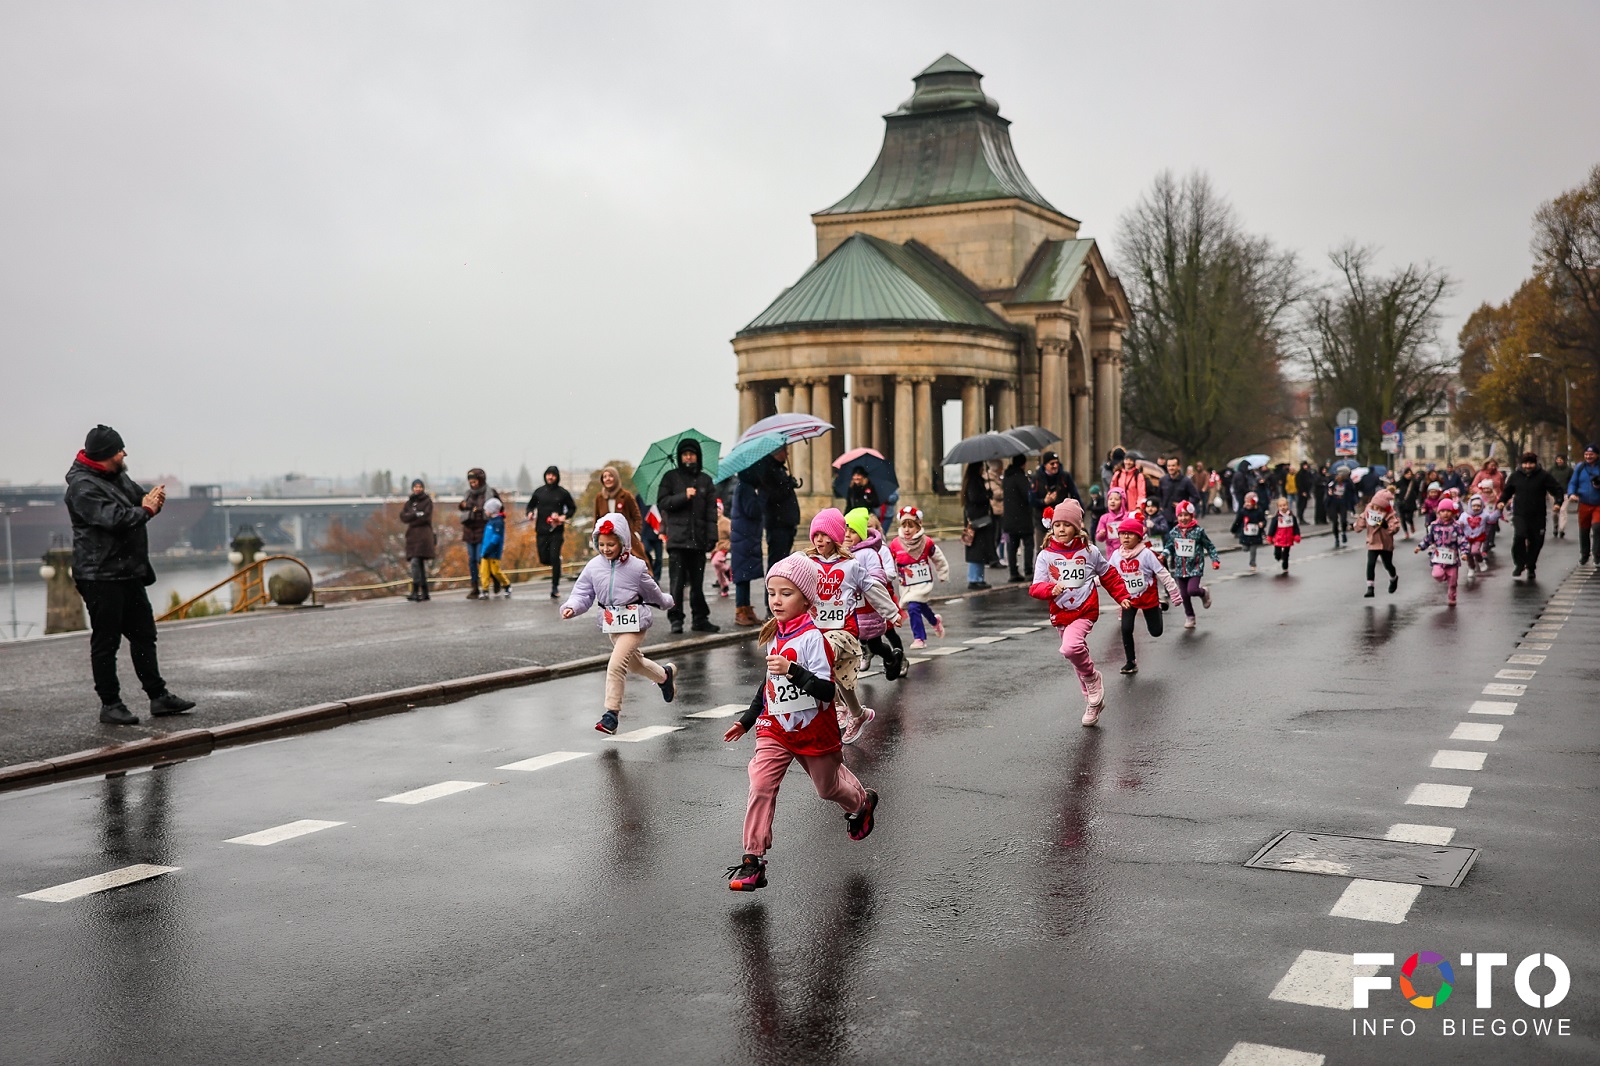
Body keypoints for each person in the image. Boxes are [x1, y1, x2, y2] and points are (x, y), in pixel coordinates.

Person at [723, 554, 879, 892]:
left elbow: (825, 691)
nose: (776, 601)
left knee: (827, 790)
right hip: (776, 727)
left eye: (786, 593)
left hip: (813, 731)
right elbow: (768, 686)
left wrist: (793, 670)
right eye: (771, 593)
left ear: (806, 598)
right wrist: (747, 720)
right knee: (761, 784)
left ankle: (861, 803)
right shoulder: (775, 634)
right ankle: (753, 861)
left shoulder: (813, 639)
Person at [64, 424, 195, 726]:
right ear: (105, 455)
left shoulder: (117, 475)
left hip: (127, 572)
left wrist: (152, 500)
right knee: (106, 642)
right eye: (119, 449)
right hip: (100, 575)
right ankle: (110, 704)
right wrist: (146, 511)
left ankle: (158, 697)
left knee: (144, 635)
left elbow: (138, 501)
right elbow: (116, 519)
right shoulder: (83, 487)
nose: (124, 453)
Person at [560, 513, 676, 736]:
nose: (605, 549)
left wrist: (666, 601)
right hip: (612, 624)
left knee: (616, 665)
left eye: (611, 544)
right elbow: (583, 592)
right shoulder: (594, 567)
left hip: (635, 623)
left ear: (623, 541)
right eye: (601, 544)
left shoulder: (636, 567)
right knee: (634, 664)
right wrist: (572, 607)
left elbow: (652, 591)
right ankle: (664, 675)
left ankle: (611, 714)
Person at [799, 508, 901, 744]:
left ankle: (836, 707)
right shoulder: (806, 562)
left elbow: (873, 589)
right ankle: (857, 713)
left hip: (843, 631)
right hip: (817, 628)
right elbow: (785, 578)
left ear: (836, 537)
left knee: (822, 658)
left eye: (825, 535)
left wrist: (892, 612)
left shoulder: (851, 566)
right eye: (816, 535)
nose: (820, 540)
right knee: (841, 679)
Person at [1029, 500, 1132, 727]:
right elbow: (1035, 587)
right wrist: (1050, 589)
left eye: (1067, 524)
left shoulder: (1089, 551)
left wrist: (1122, 596)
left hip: (1085, 610)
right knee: (1075, 658)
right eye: (1058, 525)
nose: (1062, 529)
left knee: (1070, 647)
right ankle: (1093, 703)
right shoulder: (1045, 556)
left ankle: (1094, 678)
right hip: (1061, 613)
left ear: (1077, 527)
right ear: (1052, 527)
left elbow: (1108, 575)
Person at [658, 436, 720, 633]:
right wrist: (683, 496)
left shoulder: (705, 480)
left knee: (698, 584)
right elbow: (663, 503)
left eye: (692, 454)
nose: (688, 457)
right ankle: (676, 619)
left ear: (697, 456)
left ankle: (700, 618)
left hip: (698, 540)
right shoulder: (670, 478)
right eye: (685, 454)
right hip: (677, 540)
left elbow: (711, 513)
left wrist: (712, 537)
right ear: (680, 456)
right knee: (676, 583)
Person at [1108, 516, 1182, 675]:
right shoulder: (1116, 555)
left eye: (1130, 534)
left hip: (1148, 598)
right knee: (1126, 628)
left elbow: (1163, 574)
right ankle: (1130, 662)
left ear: (1139, 537)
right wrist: (1092, 582)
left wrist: (1174, 594)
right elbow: (1107, 574)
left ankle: (1159, 607)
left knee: (1156, 632)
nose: (1126, 537)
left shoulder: (1147, 554)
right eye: (1122, 534)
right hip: (1128, 598)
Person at [843, 507, 907, 682]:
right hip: (849, 609)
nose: (847, 535)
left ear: (862, 534)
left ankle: (891, 657)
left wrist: (862, 581)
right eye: (845, 530)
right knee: (849, 643)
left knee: (876, 644)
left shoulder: (868, 553)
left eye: (853, 531)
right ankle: (846, 682)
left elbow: (877, 578)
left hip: (869, 607)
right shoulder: (840, 552)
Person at [890, 505, 949, 649]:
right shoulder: (896, 543)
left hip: (922, 582)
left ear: (918, 526)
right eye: (904, 525)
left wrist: (943, 573)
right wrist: (886, 576)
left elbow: (938, 558)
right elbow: (890, 561)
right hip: (906, 583)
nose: (907, 529)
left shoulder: (926, 542)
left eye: (911, 526)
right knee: (919, 605)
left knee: (914, 606)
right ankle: (935, 621)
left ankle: (919, 638)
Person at [1500, 452, 1565, 580]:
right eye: (1525, 463)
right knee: (1520, 536)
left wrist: (1558, 503)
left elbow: (1557, 490)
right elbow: (1507, 491)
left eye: (1530, 463)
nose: (1528, 466)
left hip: (1537, 515)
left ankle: (1531, 566)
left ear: (1535, 463)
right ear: (1521, 464)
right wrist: (1501, 501)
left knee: (1536, 541)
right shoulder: (1515, 476)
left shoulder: (1543, 476)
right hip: (1520, 514)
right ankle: (1519, 564)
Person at [1163, 500, 1220, 629]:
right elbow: (1169, 546)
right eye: (1180, 515)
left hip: (1195, 567)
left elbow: (1210, 546)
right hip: (1179, 568)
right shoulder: (1174, 532)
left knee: (1192, 590)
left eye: (1186, 515)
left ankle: (1203, 592)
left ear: (1191, 515)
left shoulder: (1198, 531)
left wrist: (1215, 560)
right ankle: (1190, 616)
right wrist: (1163, 555)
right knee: (1184, 595)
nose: (1183, 518)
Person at [525, 466, 576, 599]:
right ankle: (556, 562)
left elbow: (572, 508)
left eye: (553, 475)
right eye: (548, 475)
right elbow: (530, 506)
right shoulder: (539, 492)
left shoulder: (563, 493)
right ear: (545, 476)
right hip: (541, 530)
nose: (550, 477)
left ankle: (555, 587)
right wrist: (530, 513)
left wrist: (563, 517)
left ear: (557, 477)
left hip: (556, 530)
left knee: (554, 556)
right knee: (544, 558)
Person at [729, 468, 765, 626]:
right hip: (744, 537)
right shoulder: (745, 488)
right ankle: (741, 612)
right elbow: (753, 510)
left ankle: (746, 610)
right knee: (743, 575)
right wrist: (762, 497)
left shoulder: (743, 486)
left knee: (745, 574)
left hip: (744, 537)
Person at [1416, 497, 1466, 606]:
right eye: (1443, 511)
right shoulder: (1434, 526)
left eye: (1448, 511)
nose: (1446, 514)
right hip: (1438, 557)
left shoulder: (1456, 527)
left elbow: (1462, 540)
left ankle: (1452, 596)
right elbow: (1429, 538)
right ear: (1438, 513)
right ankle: (1444, 577)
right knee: (1437, 574)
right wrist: (1420, 547)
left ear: (1452, 512)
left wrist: (1464, 553)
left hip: (1452, 558)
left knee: (1453, 581)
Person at [459, 467, 499, 599]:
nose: (473, 484)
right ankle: (474, 587)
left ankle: (491, 580)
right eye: (471, 481)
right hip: (470, 530)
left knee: (481, 559)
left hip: (484, 530)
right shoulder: (468, 494)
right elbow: (464, 508)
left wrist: (480, 511)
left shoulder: (489, 493)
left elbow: (497, 509)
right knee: (472, 560)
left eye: (475, 481)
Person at [1352, 489, 1401, 598]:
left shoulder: (1389, 515)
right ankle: (1370, 587)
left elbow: (1395, 528)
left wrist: (1386, 526)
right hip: (1373, 542)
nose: (1376, 509)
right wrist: (1355, 526)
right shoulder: (1369, 511)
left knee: (1387, 564)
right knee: (1370, 563)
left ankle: (1393, 577)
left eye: (1379, 507)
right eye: (1375, 506)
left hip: (1385, 544)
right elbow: (1361, 521)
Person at [592, 466, 648, 559]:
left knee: (638, 561)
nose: (607, 479)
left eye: (610, 476)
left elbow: (637, 516)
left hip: (627, 537)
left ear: (616, 478)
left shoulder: (626, 496)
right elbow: (596, 518)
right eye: (605, 477)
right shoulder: (600, 497)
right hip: (607, 538)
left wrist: (636, 532)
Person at [760, 446, 802, 565]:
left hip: (785, 523)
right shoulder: (768, 471)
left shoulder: (778, 469)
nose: (787, 454)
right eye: (785, 450)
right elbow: (772, 497)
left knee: (783, 560)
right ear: (777, 453)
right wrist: (788, 486)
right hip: (778, 524)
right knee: (777, 561)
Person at [399, 478, 435, 602]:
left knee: (416, 561)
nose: (417, 489)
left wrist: (413, 516)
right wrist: (415, 514)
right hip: (412, 536)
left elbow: (425, 517)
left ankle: (415, 590)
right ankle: (424, 591)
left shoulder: (427, 501)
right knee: (418, 564)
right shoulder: (409, 502)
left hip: (423, 536)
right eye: (415, 487)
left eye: (419, 487)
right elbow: (403, 517)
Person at [961, 462, 996, 590]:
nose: (983, 469)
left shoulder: (972, 481)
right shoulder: (974, 481)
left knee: (978, 551)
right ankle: (975, 579)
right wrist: (987, 495)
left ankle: (978, 578)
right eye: (981, 467)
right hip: (978, 520)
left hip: (977, 519)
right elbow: (975, 497)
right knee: (977, 551)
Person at [1566, 444, 1600, 565]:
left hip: (1598, 504)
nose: (1588, 456)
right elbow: (1573, 483)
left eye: (1591, 454)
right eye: (1586, 454)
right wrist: (1571, 493)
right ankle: (1584, 554)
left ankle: (1597, 553)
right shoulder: (1580, 467)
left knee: (1597, 527)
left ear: (1597, 455)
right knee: (1584, 529)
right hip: (1584, 503)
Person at [1029, 451, 1080, 526]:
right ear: (1045, 465)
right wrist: (1044, 502)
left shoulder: (1065, 476)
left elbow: (1075, 495)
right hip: (1042, 521)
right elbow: (1031, 500)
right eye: (1052, 463)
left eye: (1057, 463)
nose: (1055, 466)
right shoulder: (1036, 478)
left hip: (1062, 520)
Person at [1459, 493, 1501, 576]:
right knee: (1468, 553)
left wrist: (1498, 511)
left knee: (1474, 551)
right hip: (1466, 538)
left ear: (1481, 506)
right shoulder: (1464, 515)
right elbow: (1459, 523)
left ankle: (1481, 561)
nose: (1476, 508)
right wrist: (1460, 525)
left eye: (1478, 506)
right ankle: (1471, 567)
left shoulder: (1484, 515)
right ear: (1470, 506)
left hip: (1478, 537)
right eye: (1474, 506)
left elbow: (1492, 519)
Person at [478, 497, 512, 598]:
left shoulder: (498, 522)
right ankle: (485, 589)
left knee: (495, 571)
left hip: (493, 552)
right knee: (484, 571)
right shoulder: (491, 521)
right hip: (485, 552)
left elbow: (496, 537)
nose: (485, 511)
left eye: (487, 509)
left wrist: (490, 548)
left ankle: (506, 584)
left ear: (492, 510)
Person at [1155, 458, 1201, 523]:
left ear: (1178, 466)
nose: (1171, 468)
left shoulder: (1186, 481)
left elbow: (1196, 497)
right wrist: (1160, 507)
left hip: (1181, 518)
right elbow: (1158, 496)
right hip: (1165, 517)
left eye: (1173, 465)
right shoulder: (1163, 480)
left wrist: (1183, 504)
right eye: (1169, 466)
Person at [1230, 490, 1267, 571]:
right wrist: (1234, 529)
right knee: (1245, 548)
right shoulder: (1243, 511)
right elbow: (1238, 521)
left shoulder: (1259, 511)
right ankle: (1246, 547)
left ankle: (1252, 564)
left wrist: (1262, 524)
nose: (1247, 504)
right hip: (1245, 534)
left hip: (1255, 535)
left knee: (1253, 550)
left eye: (1249, 502)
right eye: (1246, 502)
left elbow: (1263, 520)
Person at [1266, 496, 1302, 574]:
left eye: (1284, 505)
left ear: (1287, 505)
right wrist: (1269, 537)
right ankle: (1278, 556)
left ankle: (1285, 566)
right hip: (1278, 538)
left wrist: (1297, 535)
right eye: (1281, 506)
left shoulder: (1292, 517)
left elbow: (1296, 527)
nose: (1283, 507)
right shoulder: (1276, 518)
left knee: (1286, 554)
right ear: (1278, 507)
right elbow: (1272, 528)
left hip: (1288, 538)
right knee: (1277, 554)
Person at [635, 490, 664, 578]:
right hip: (645, 531)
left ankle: (657, 576)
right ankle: (650, 573)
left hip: (658, 531)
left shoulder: (660, 496)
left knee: (659, 557)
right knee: (646, 552)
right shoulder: (639, 497)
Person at [1094, 487, 1129, 556]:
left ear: (1122, 501)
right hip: (1111, 552)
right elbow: (1099, 538)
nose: (1112, 501)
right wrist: (1101, 534)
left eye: (1116, 499)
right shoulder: (1104, 518)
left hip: (1127, 550)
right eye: (1110, 499)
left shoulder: (1128, 516)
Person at [1326, 467, 1354, 547]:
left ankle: (1344, 533)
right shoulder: (1332, 480)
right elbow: (1328, 488)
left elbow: (1352, 491)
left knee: (1343, 520)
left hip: (1343, 503)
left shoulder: (1348, 482)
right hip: (1333, 503)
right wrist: (1330, 492)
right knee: (1335, 521)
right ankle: (1336, 538)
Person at [711, 500, 733, 598]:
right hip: (714, 548)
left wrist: (731, 545)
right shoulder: (711, 521)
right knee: (718, 571)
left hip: (723, 547)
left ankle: (728, 569)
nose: (717, 511)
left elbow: (732, 534)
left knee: (716, 562)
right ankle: (724, 586)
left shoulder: (726, 521)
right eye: (715, 509)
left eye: (719, 509)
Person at [1394, 468, 1421, 540]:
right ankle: (1406, 532)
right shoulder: (1400, 482)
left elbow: (1417, 491)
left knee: (1409, 517)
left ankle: (1411, 524)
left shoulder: (1413, 482)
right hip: (1402, 502)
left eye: (1410, 474)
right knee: (1402, 518)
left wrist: (1416, 498)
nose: (1409, 475)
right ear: (1404, 474)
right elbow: (1394, 488)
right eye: (1407, 474)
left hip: (1411, 502)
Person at [1551, 454, 1572, 538]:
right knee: (1555, 512)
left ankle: (1561, 529)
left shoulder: (1569, 470)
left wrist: (1573, 492)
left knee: (1563, 510)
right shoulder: (1551, 470)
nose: (1559, 461)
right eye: (1557, 459)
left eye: (1561, 459)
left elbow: (1572, 481)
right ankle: (1556, 525)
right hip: (1553, 494)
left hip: (1565, 493)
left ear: (1564, 460)